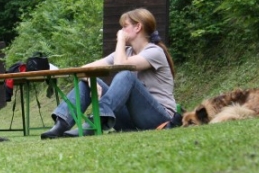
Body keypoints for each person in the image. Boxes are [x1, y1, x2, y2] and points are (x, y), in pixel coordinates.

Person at [41, 8, 176, 138]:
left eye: (125, 26)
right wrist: (89, 80)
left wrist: (121, 40)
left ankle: (95, 122)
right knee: (91, 81)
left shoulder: (155, 52)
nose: (121, 31)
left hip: (159, 118)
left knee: (126, 75)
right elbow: (82, 70)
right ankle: (61, 124)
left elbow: (120, 66)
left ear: (138, 27)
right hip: (132, 121)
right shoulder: (125, 53)